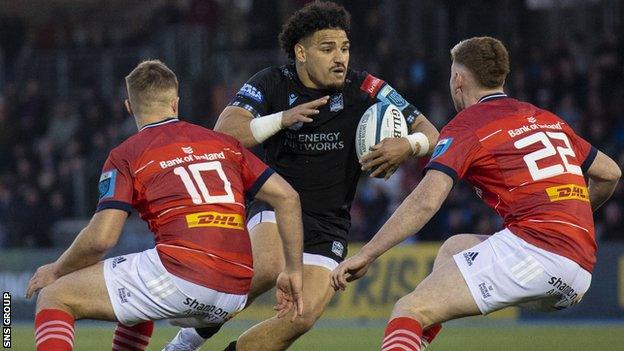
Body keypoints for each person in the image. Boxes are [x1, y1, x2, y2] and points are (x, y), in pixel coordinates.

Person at [164, 2, 439, 351]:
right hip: (275, 203)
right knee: (268, 267)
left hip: (329, 223)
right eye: (328, 49)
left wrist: (409, 145)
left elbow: (432, 133)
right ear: (301, 53)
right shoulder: (272, 82)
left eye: (345, 47)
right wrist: (282, 118)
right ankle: (185, 342)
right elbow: (225, 134)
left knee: (302, 315)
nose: (340, 58)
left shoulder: (365, 88)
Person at [330, 36, 622, 351]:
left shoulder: (468, 125)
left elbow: (425, 201)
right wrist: (570, 213)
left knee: (408, 308)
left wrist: (367, 253)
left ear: (459, 79)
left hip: (537, 253)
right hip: (580, 271)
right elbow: (610, 173)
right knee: (454, 248)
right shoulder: (544, 118)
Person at [25, 60, 305, 351]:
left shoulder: (126, 155)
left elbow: (101, 239)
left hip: (184, 275)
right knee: (135, 302)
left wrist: (57, 270)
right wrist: (294, 270)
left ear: (129, 108)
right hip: (235, 292)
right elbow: (288, 197)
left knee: (55, 297)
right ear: (175, 103)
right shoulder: (222, 143)